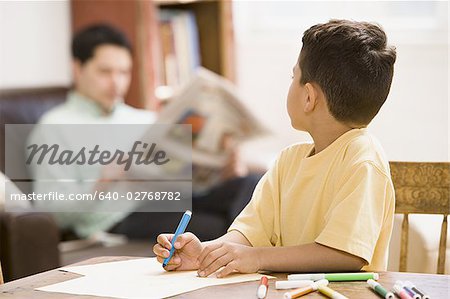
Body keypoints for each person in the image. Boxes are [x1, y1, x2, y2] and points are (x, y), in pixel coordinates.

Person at [153, 19, 397, 276]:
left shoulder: (363, 160)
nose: (291, 82)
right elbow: (249, 233)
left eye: (294, 76)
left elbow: (344, 254)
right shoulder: (288, 161)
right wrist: (205, 254)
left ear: (309, 98)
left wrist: (257, 258)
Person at [30, 24, 260, 240]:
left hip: (172, 199)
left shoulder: (144, 119)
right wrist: (102, 181)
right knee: (213, 227)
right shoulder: (54, 126)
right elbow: (52, 211)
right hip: (119, 218)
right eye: (105, 72)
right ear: (78, 69)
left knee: (255, 183)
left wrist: (220, 172)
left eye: (124, 73)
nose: (116, 83)